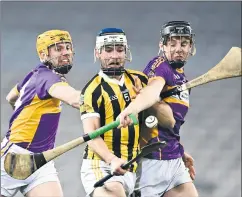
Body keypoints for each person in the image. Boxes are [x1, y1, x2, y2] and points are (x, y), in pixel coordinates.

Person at [79, 27, 174, 197]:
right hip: (102, 165)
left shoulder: (140, 80)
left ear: (126, 52)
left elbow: (169, 121)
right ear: (97, 53)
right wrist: (112, 159)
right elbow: (91, 135)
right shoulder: (92, 90)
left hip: (134, 166)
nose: (114, 56)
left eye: (119, 49)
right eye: (108, 50)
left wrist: (147, 99)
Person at [118, 21, 199, 197]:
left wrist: (181, 150)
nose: (179, 48)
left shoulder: (183, 80)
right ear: (162, 45)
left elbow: (171, 125)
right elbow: (151, 93)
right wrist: (131, 109)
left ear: (190, 47)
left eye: (184, 44)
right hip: (150, 163)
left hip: (174, 160)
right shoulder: (160, 66)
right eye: (172, 43)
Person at [1, 29, 81, 197]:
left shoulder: (35, 73)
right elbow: (75, 99)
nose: (66, 52)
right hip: (14, 160)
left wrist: (27, 113)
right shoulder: (48, 79)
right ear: (44, 55)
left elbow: (11, 97)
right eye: (58, 49)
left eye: (68, 47)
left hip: (41, 162)